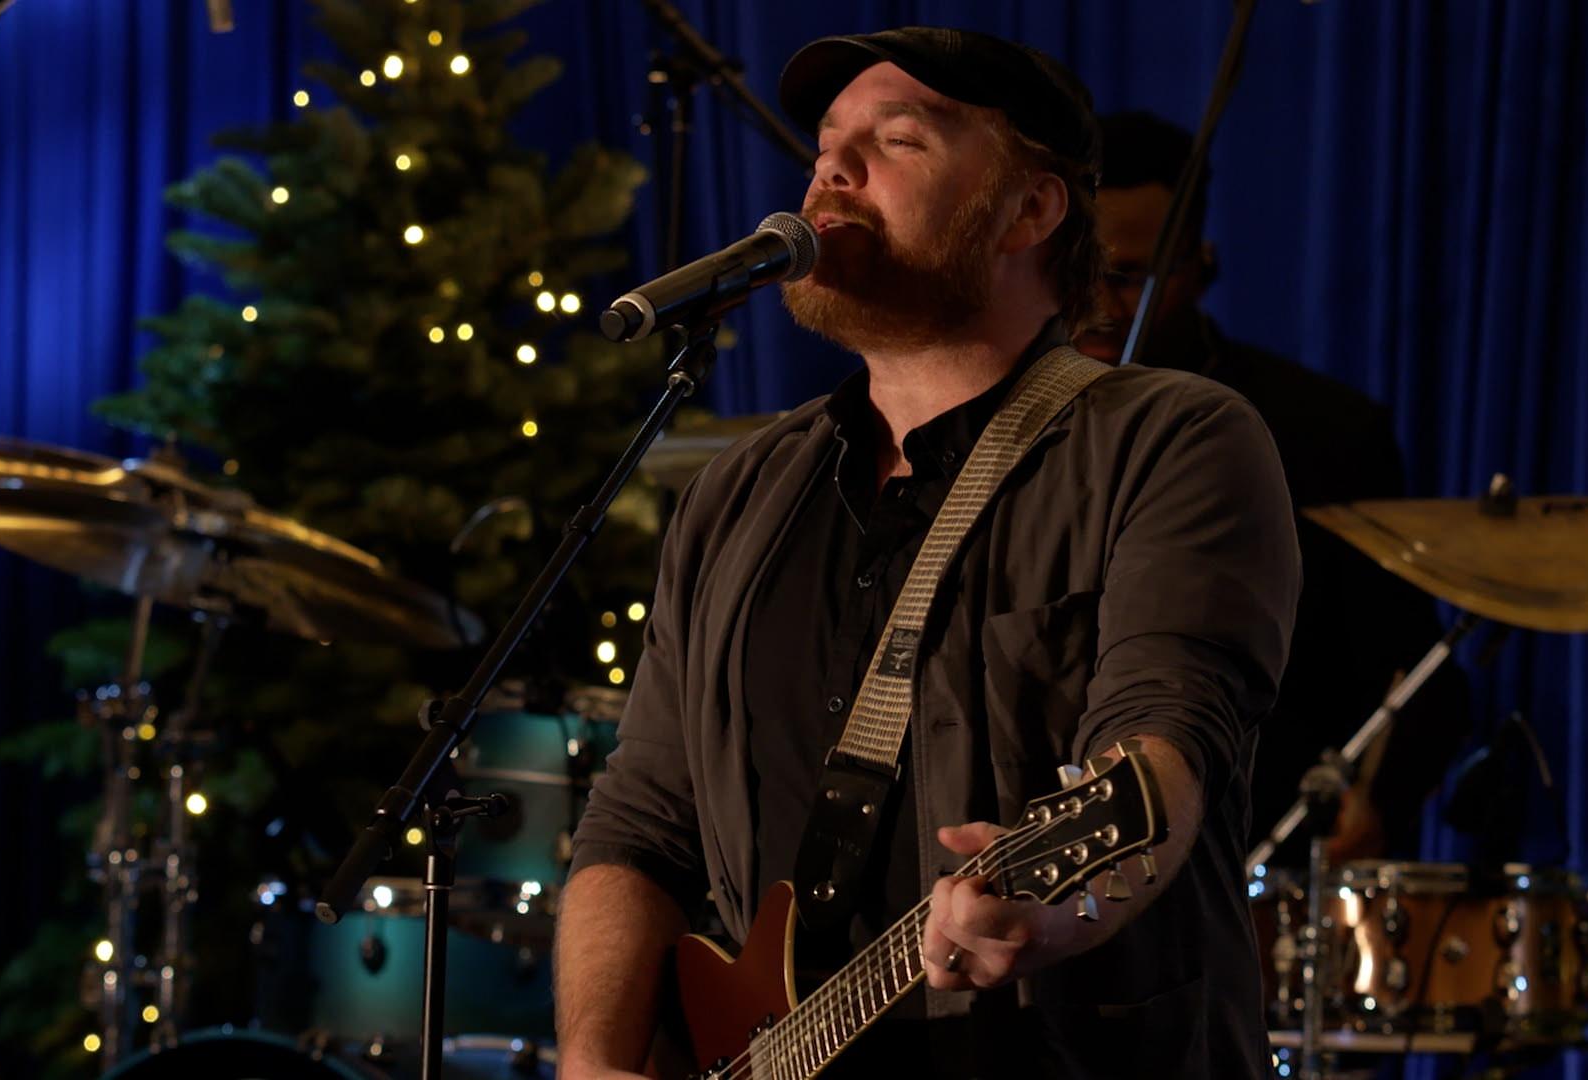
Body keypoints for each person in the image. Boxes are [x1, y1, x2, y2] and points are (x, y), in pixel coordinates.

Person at [555, 29, 1300, 1078]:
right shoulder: (739, 493)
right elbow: (642, 823)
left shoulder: (1170, 440)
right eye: (827, 145)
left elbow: (1166, 735)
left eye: (897, 141)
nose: (834, 169)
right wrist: (593, 1055)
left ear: (1029, 211)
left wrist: (1053, 914)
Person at [1076, 111, 1470, 863]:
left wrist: (1377, 801)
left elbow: (1413, 678)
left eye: (1129, 277)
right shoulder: (995, 423)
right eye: (1077, 268)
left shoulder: (1324, 431)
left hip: (1251, 850)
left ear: (1202, 265)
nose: (1098, 302)